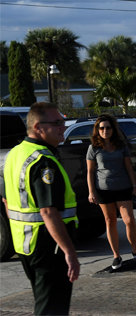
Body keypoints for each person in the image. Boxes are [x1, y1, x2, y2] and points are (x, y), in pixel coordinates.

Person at [2, 102, 80, 315]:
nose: (63, 127)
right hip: (49, 248)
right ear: (38, 127)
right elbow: (48, 212)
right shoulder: (43, 161)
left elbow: (7, 201)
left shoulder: (16, 153)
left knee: (45, 303)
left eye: (62, 122)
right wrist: (69, 252)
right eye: (57, 123)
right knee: (52, 309)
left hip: (27, 245)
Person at [86, 114, 136, 269]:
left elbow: (128, 167)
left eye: (108, 127)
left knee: (129, 220)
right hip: (103, 189)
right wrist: (91, 191)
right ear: (97, 130)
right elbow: (90, 172)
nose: (105, 130)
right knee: (110, 221)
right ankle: (116, 256)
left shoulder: (121, 146)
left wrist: (135, 187)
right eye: (102, 128)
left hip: (123, 187)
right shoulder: (93, 147)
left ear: (113, 129)